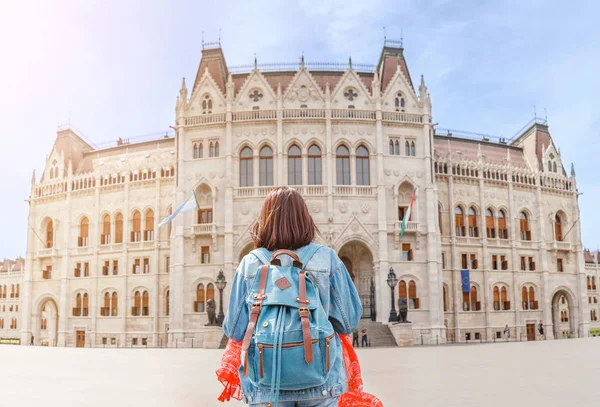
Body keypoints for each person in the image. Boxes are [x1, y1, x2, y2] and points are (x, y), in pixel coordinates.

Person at [223, 187, 362, 407]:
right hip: (322, 384)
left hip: (264, 386)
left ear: (264, 221)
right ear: (305, 219)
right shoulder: (327, 260)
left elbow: (234, 330)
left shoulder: (250, 264)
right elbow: (348, 322)